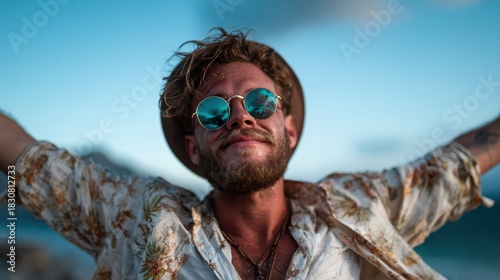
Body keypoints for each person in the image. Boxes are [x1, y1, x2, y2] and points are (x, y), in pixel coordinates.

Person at [0, 28, 499, 280]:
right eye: (215, 111)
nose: (241, 117)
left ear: (290, 129)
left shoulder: (361, 207)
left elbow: (453, 165)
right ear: (193, 149)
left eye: (259, 102)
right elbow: (24, 154)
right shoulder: (139, 220)